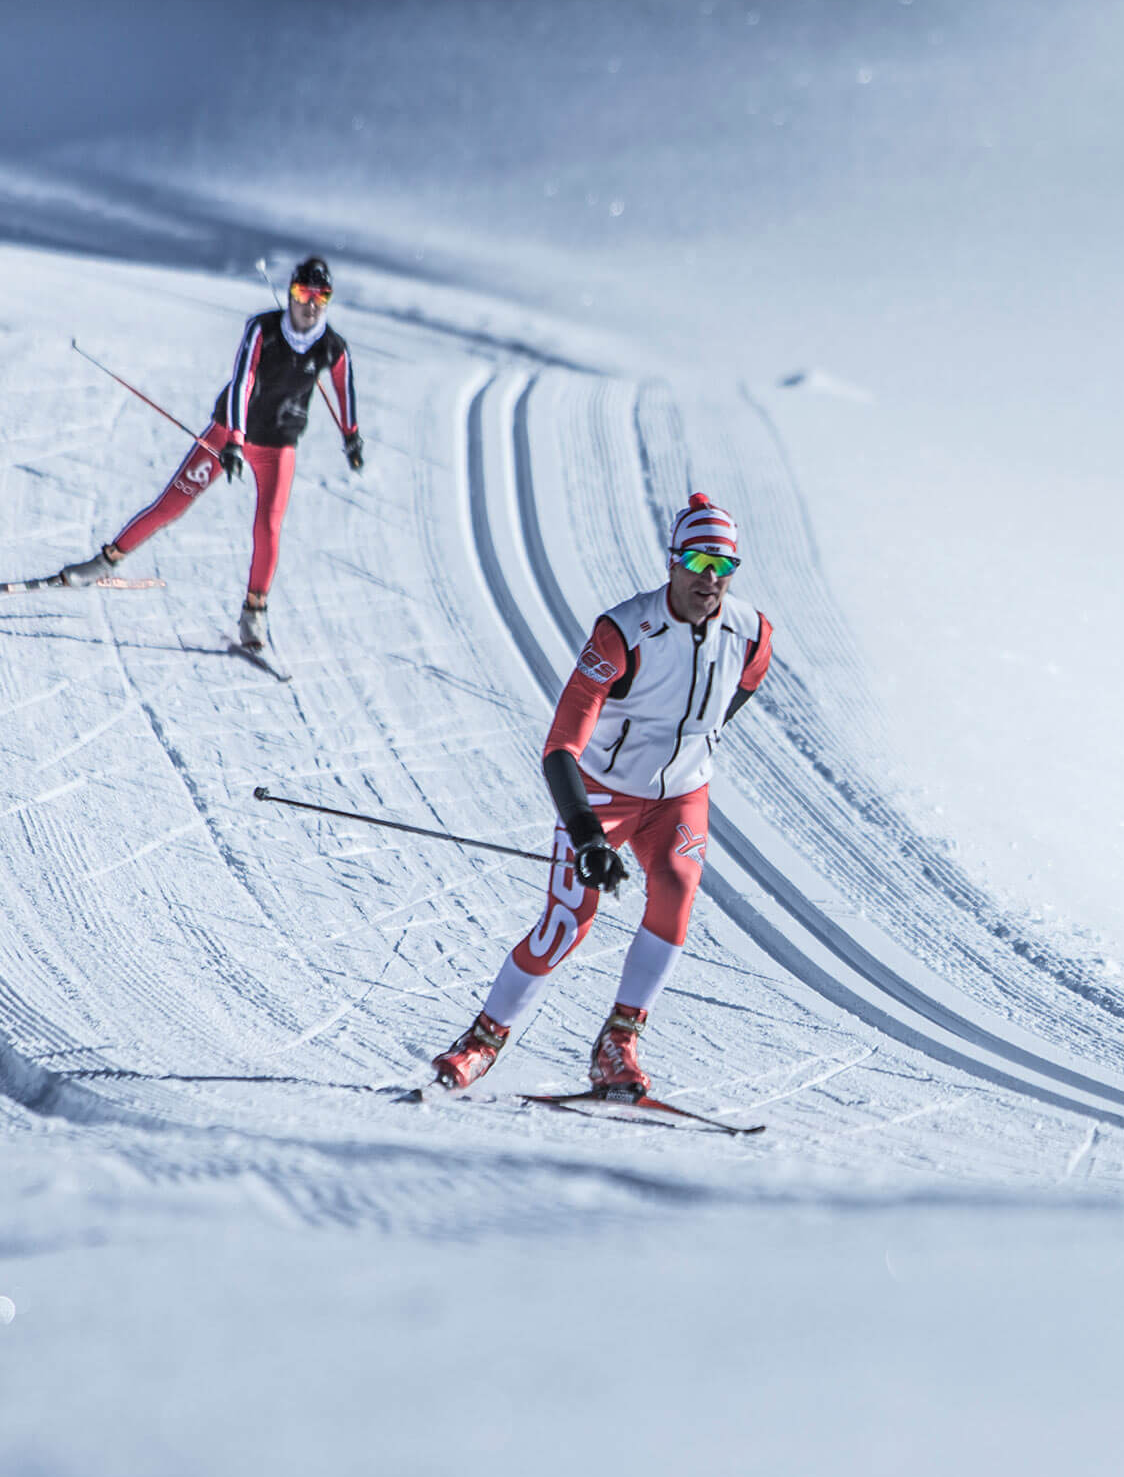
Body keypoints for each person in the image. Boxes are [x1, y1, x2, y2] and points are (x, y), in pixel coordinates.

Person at [431, 493, 775, 1095]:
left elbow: (743, 686)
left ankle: (618, 1042)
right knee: (567, 922)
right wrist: (588, 833)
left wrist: (695, 742)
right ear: (672, 562)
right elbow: (560, 746)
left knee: (675, 888)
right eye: (698, 561)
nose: (709, 579)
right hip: (603, 795)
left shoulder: (751, 633)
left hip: (679, 798)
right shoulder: (624, 632)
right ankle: (483, 1040)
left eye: (724, 566)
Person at [58, 255, 361, 651]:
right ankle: (105, 561)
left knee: (268, 528)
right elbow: (243, 381)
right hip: (227, 436)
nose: (310, 305)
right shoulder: (264, 330)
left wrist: (352, 438)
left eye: (321, 297)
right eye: (303, 293)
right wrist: (234, 438)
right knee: (171, 505)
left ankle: (254, 614)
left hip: (278, 447)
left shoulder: (331, 347)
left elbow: (345, 390)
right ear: (290, 294)